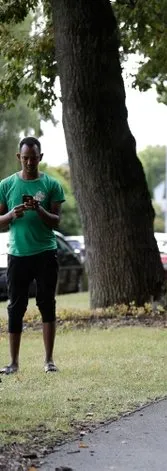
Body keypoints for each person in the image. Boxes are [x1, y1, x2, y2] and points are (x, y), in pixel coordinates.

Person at [0, 137, 65, 375]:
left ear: (40, 157)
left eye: (34, 158)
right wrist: (10, 215)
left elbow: (57, 222)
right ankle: (13, 363)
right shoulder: (6, 185)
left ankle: (49, 360)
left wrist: (39, 209)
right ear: (19, 157)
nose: (29, 162)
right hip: (18, 254)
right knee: (16, 307)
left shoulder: (51, 185)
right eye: (25, 158)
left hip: (45, 253)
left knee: (47, 304)